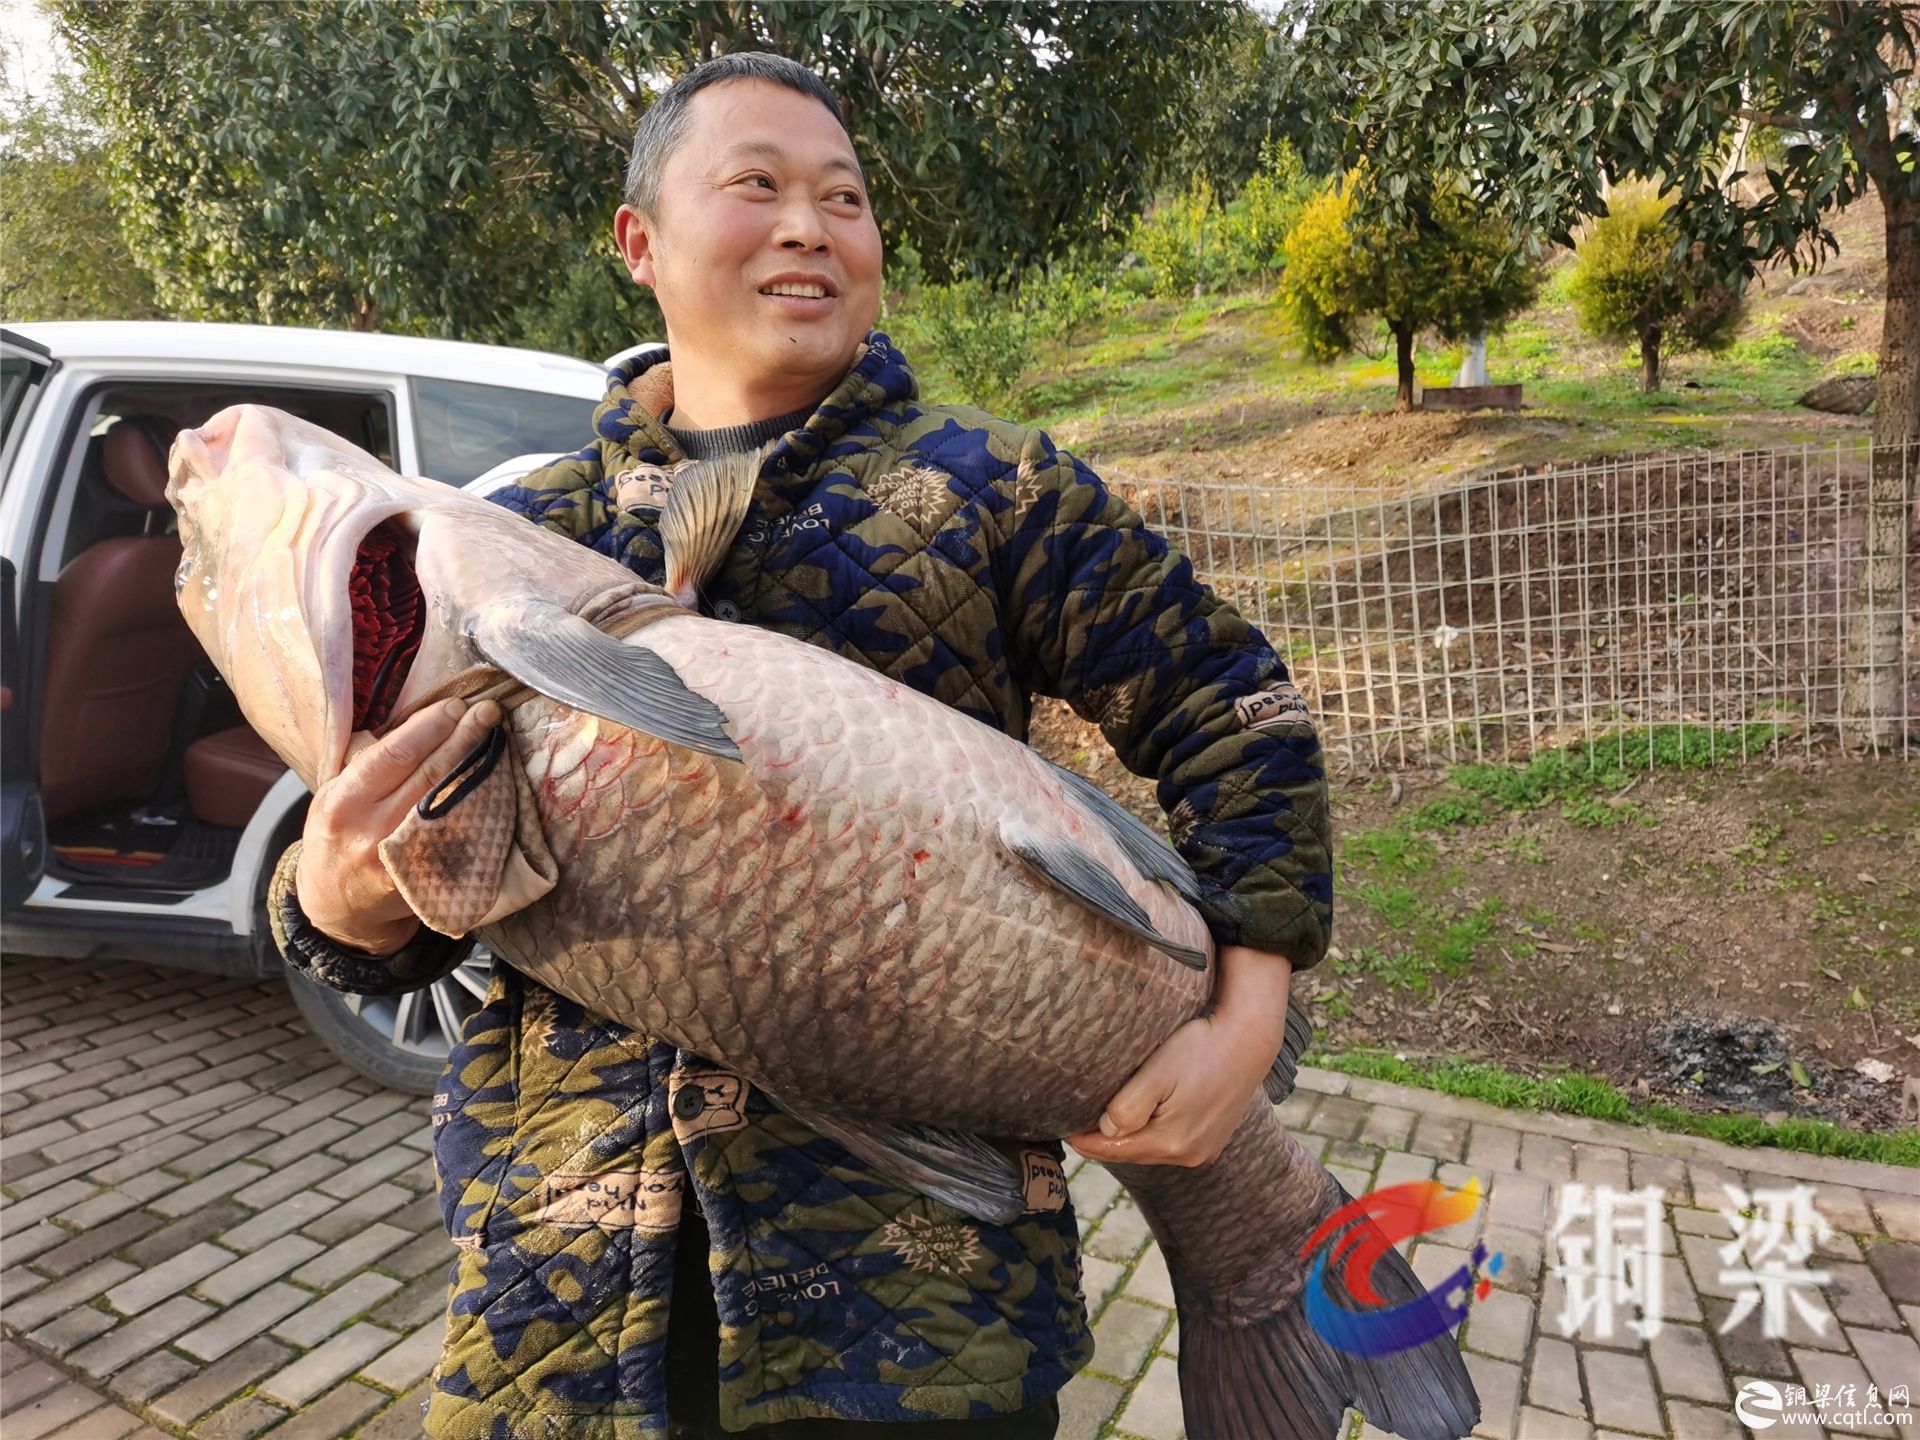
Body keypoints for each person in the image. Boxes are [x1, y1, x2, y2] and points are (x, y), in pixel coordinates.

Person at [270, 51, 1332, 1440]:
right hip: (564, 1309)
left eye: (844, 197)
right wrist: (335, 894)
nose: (808, 227)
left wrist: (1246, 1020)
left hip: (920, 1319)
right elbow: (388, 923)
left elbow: (1234, 708)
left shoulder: (993, 488)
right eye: (757, 186)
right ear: (637, 242)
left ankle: (1285, 1265)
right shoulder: (518, 531)